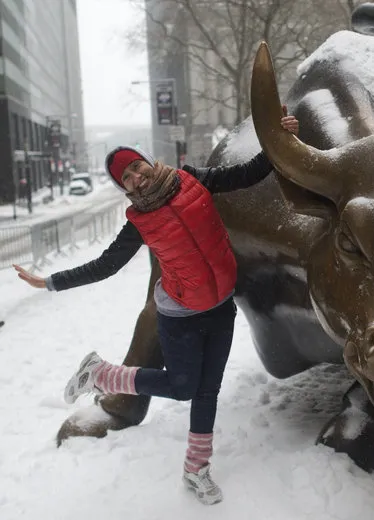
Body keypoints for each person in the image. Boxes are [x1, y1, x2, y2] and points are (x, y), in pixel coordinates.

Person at [13, 106, 299, 505]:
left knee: (207, 392)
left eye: (135, 167)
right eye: (125, 178)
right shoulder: (138, 222)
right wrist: (51, 281)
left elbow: (247, 174)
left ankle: (196, 469)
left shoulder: (192, 180)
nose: (135, 177)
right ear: (124, 187)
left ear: (146, 162)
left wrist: (277, 138)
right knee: (183, 388)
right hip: (179, 317)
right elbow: (105, 265)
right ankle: (102, 375)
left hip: (220, 308)